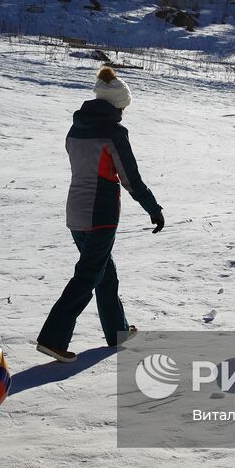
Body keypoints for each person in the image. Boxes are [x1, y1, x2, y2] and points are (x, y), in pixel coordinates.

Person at [37, 67, 164, 362]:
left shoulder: (75, 127)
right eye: (123, 107)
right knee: (88, 276)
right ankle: (52, 339)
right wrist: (153, 209)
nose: (124, 113)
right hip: (100, 214)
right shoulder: (113, 132)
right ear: (117, 105)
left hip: (75, 212)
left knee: (104, 273)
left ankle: (117, 332)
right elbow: (130, 178)